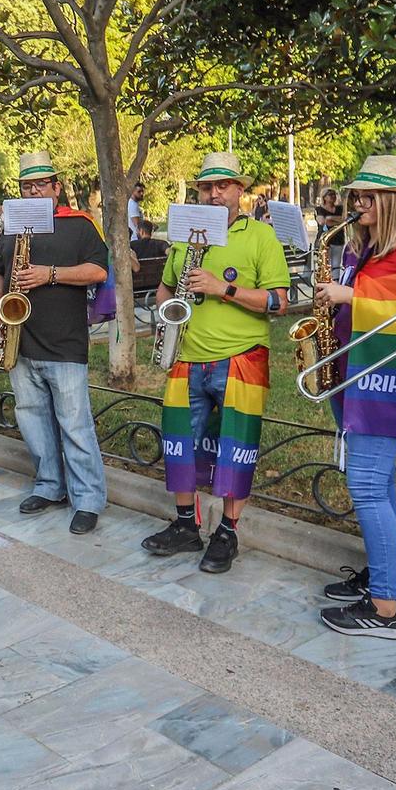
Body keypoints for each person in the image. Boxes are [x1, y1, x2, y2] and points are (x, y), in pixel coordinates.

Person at [310, 156, 396, 638]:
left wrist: (349, 297)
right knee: (378, 483)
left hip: (388, 381)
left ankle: (386, 609)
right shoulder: (363, 248)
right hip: (352, 372)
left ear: (393, 201)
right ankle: (380, 575)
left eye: (367, 198)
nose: (357, 204)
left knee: (366, 485)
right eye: (355, 197)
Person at [142, 151, 291, 572]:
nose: (212, 194)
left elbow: (279, 302)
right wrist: (166, 313)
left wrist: (221, 289)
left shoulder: (260, 236)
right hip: (187, 358)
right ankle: (186, 526)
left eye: (222, 186)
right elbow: (163, 291)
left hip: (240, 358)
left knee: (236, 448)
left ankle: (228, 532)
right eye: (206, 187)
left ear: (239, 191)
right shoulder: (183, 237)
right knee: (179, 446)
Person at [0, 152, 111, 533]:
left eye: (41, 184)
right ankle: (50, 486)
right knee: (33, 419)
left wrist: (49, 274)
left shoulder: (80, 225)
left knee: (75, 424)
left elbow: (98, 270)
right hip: (22, 340)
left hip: (65, 342)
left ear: (57, 188)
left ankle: (88, 499)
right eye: (27, 185)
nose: (34, 190)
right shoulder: (13, 228)